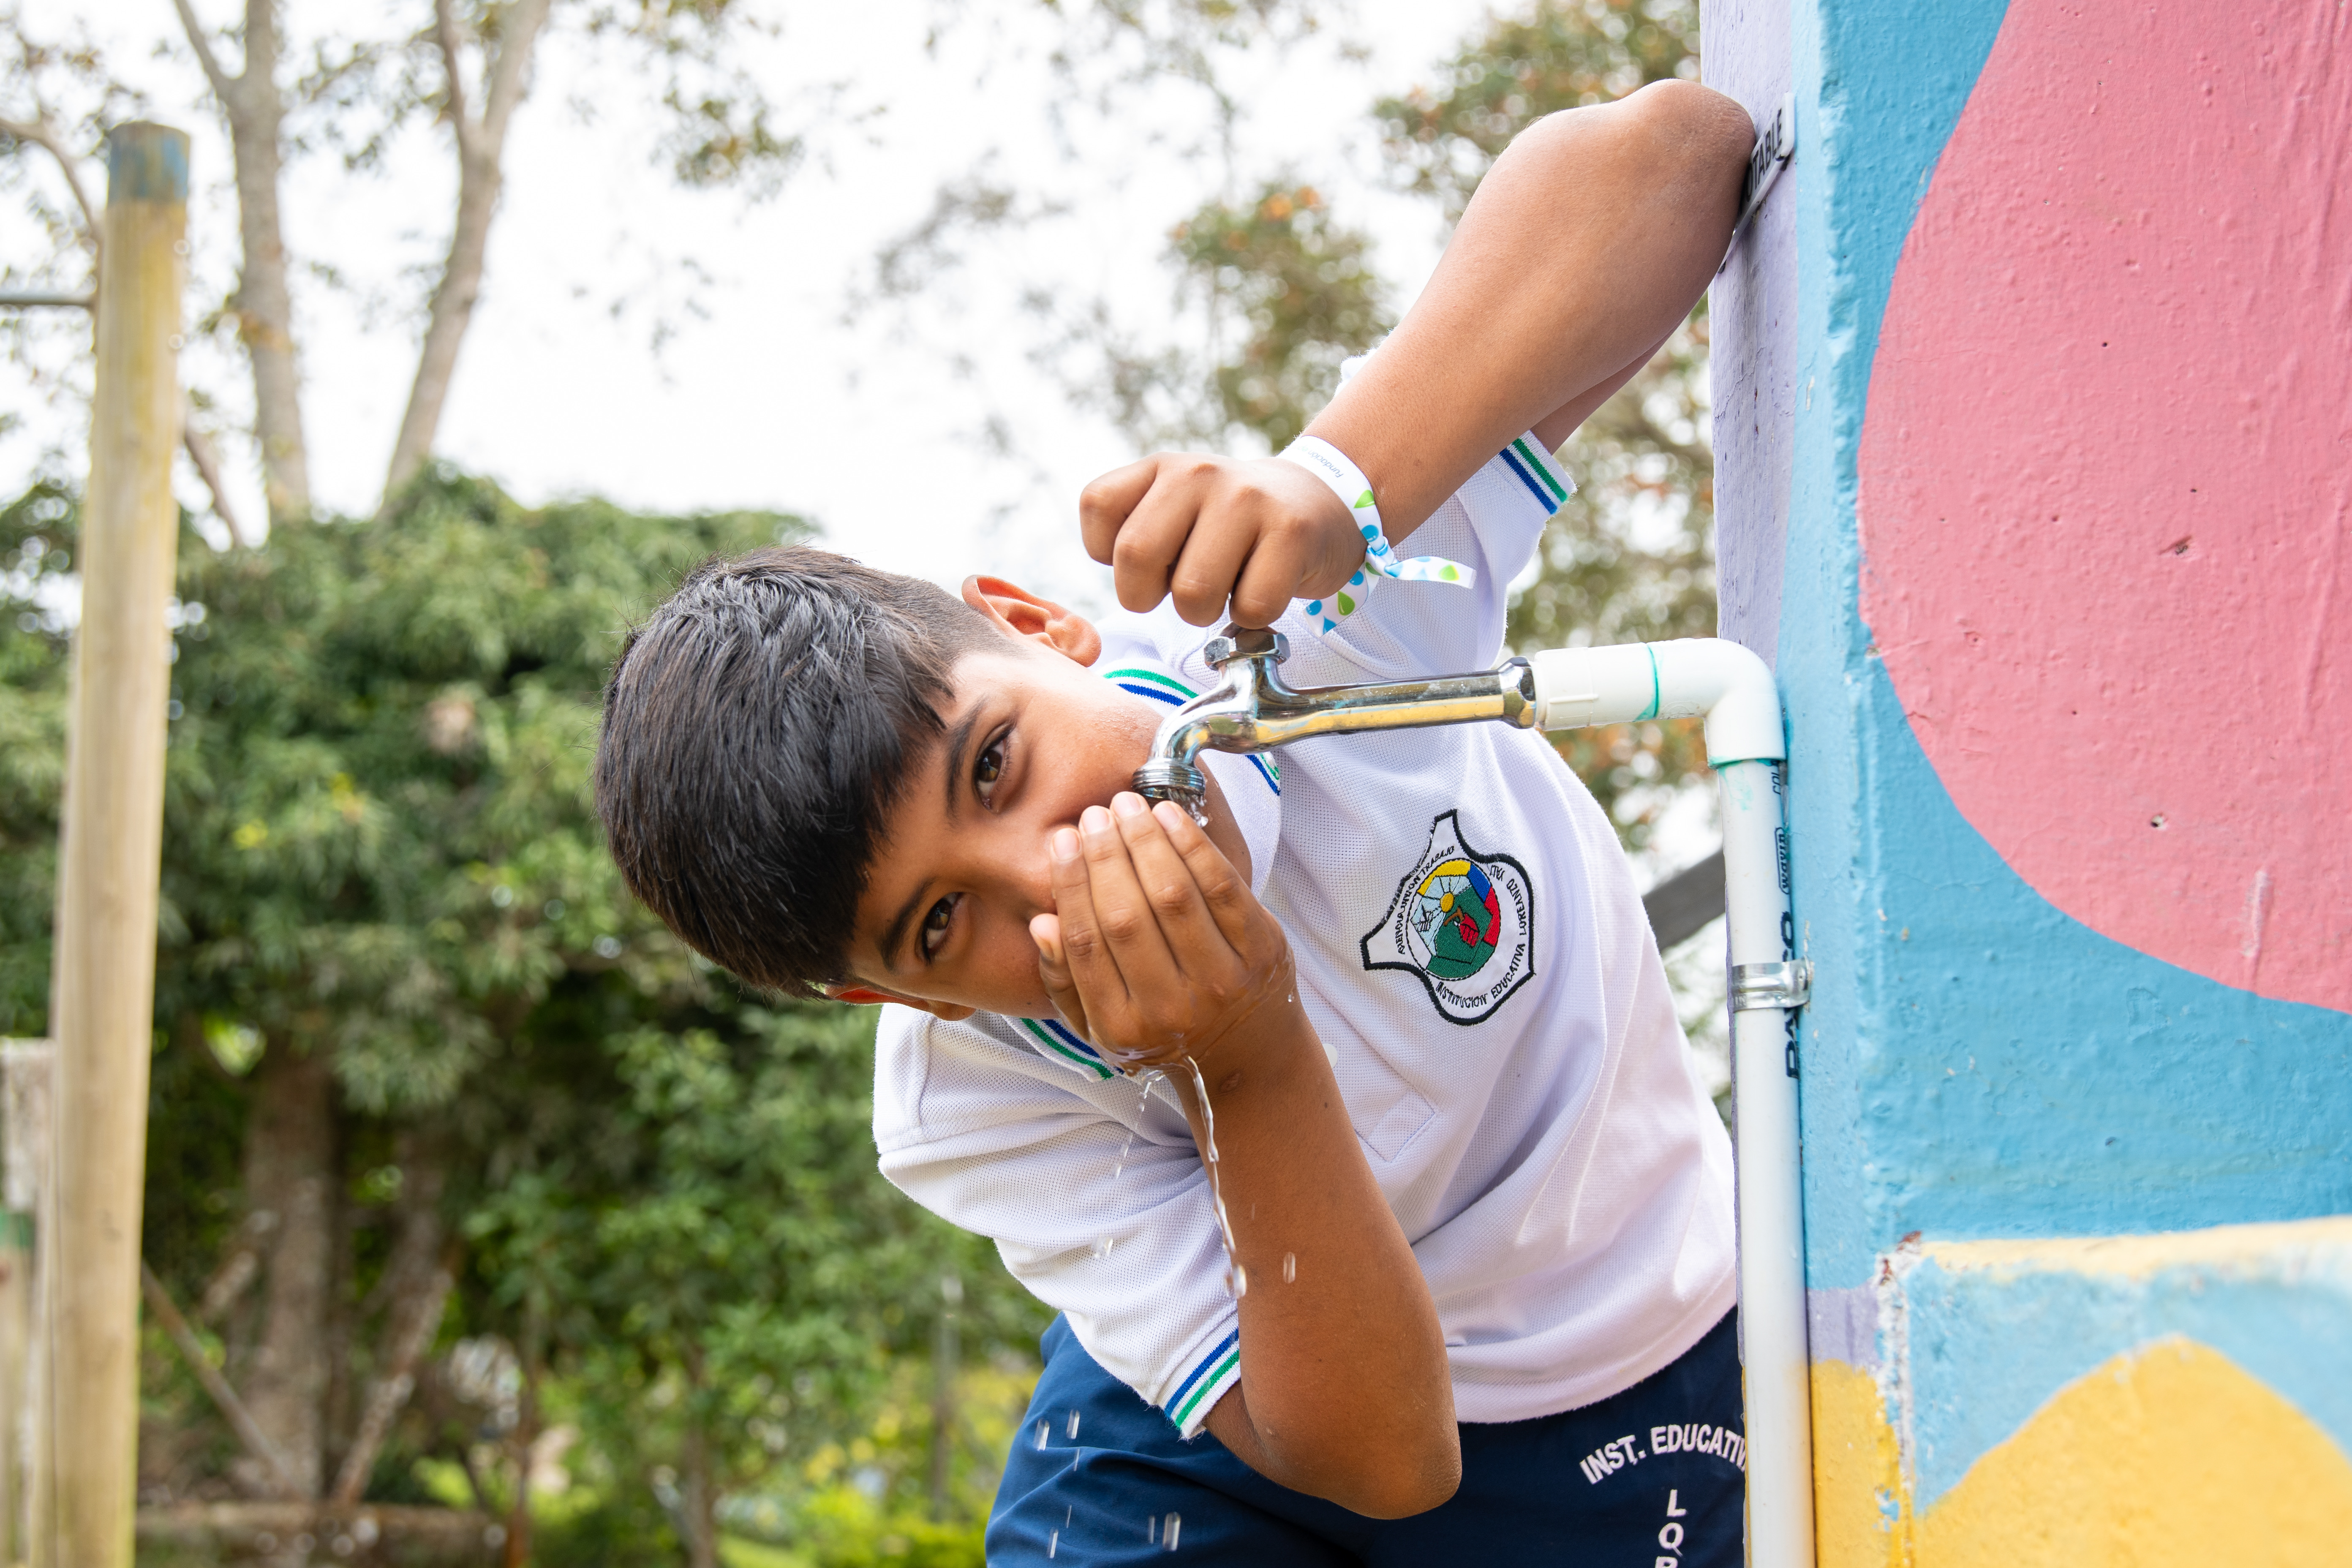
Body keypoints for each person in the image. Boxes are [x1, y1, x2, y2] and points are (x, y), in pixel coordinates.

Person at [596, 78, 1759, 1566]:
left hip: (1621, 1348)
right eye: (945, 925)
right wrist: (1241, 1054)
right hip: (1246, 1401)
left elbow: (1677, 157)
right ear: (888, 996)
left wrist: (1344, 483)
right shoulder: (970, 1097)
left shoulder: (1309, 628)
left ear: (1034, 626)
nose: (1051, 873)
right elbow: (1371, 1456)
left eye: (997, 765)